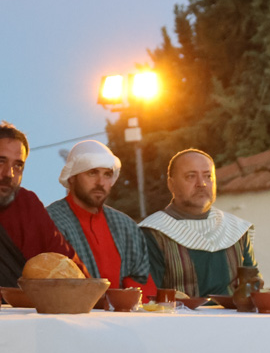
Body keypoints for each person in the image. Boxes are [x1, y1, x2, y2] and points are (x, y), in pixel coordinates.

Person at [140, 149, 256, 297]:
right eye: (191, 176)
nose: (201, 183)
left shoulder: (236, 229)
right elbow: (148, 298)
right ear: (171, 184)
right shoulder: (152, 232)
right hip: (176, 313)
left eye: (208, 176)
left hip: (233, 313)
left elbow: (253, 288)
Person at [46, 140, 156, 294]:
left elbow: (142, 285)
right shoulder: (49, 222)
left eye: (107, 174)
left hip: (124, 310)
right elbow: (47, 285)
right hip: (69, 308)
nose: (100, 182)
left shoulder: (126, 226)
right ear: (72, 177)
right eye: (92, 173)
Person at [0, 121, 83, 285]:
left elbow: (70, 269)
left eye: (18, 165)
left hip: (28, 302)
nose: (9, 174)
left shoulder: (27, 204)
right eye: (1, 161)